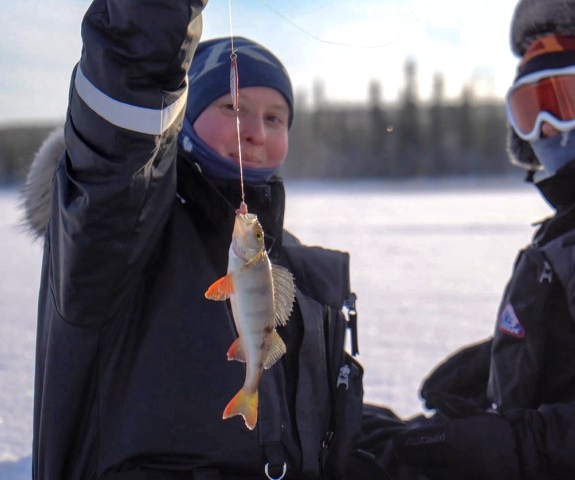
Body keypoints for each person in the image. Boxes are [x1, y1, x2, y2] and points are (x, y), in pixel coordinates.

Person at [345, 0, 575, 478]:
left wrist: (516, 445)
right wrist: (519, 362)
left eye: (567, 99)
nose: (546, 127)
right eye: (529, 108)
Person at [20, 1, 362, 479]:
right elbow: (128, 104)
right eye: (232, 108)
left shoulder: (293, 269)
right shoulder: (124, 232)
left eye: (276, 118)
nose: (256, 133)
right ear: (181, 115)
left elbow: (309, 430)